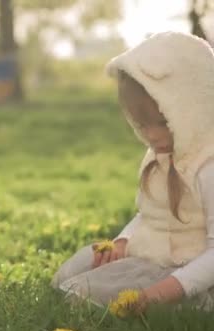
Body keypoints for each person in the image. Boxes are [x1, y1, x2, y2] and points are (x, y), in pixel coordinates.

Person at [52, 31, 214, 311]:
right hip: (152, 253)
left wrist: (160, 292)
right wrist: (122, 242)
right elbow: (147, 215)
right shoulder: (158, 156)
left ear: (193, 109)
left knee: (86, 294)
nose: (151, 135)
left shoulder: (207, 167)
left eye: (162, 122)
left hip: (188, 271)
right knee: (74, 270)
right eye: (141, 124)